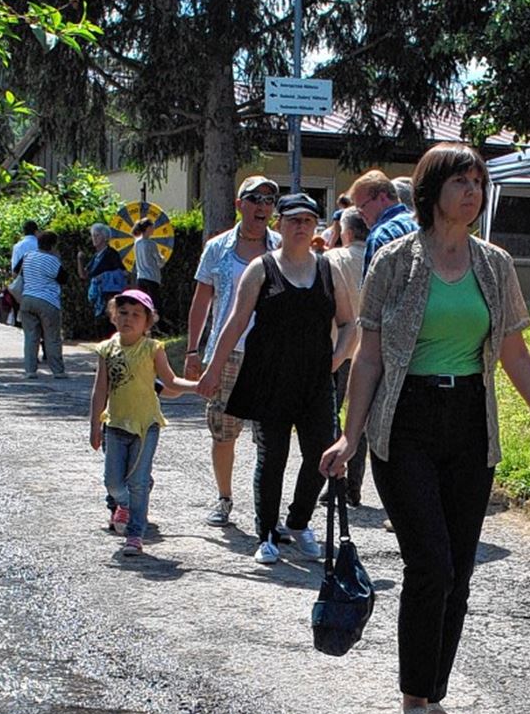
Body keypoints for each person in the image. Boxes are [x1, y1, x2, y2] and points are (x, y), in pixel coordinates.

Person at [321, 144, 530, 714]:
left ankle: (435, 692)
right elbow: (369, 357)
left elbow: (514, 353)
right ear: (431, 191)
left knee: (460, 571)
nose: (472, 191)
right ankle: (412, 700)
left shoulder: (495, 264)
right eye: (460, 181)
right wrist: (350, 434)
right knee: (431, 565)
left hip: (470, 421)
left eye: (478, 181)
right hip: (406, 422)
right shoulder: (394, 260)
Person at [198, 192, 356, 563]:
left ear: (315, 226)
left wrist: (336, 358)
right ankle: (267, 533)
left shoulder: (327, 269)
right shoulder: (261, 269)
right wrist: (212, 369)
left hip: (315, 381)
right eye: (293, 220)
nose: (301, 227)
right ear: (279, 225)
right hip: (269, 379)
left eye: (308, 220)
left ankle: (298, 522)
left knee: (322, 453)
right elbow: (235, 322)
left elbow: (349, 322)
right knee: (272, 458)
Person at [184, 176, 281, 526]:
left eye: (269, 200)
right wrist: (193, 350)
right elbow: (202, 301)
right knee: (224, 430)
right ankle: (224, 498)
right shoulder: (217, 247)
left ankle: (267, 510)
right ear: (240, 205)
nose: (262, 206)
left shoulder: (282, 247)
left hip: (271, 355)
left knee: (271, 436)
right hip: (228, 354)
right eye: (255, 199)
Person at [90, 290, 198, 557]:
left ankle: (135, 533)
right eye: (123, 313)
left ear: (147, 322)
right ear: (113, 316)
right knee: (113, 482)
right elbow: (100, 389)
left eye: (136, 315)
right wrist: (94, 425)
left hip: (145, 426)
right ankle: (125, 503)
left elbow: (170, 382)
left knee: (138, 482)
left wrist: (197, 386)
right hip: (114, 425)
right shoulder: (107, 350)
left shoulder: (152, 349)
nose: (128, 318)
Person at [323, 204, 370, 505]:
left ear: (346, 232)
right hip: (369, 352)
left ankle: (334, 480)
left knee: (331, 416)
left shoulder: (332, 259)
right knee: (359, 421)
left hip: (337, 348)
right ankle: (354, 486)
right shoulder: (379, 256)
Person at [346, 170, 418, 275]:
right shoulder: (422, 224)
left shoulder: (380, 236)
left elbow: (372, 284)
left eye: (362, 207)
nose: (360, 215)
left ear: (382, 198)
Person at [18, 228, 66, 378]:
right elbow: (63, 279)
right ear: (53, 245)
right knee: (52, 337)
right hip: (47, 301)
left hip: (27, 299)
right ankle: (57, 371)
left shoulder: (28, 256)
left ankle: (30, 370)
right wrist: (57, 258)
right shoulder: (53, 261)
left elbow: (18, 271)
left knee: (30, 337)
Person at [78, 223, 127, 334]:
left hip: (109, 294)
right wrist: (79, 260)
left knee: (109, 320)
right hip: (98, 295)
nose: (94, 238)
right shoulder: (96, 256)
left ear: (105, 238)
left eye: (97, 235)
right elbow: (84, 275)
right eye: (93, 235)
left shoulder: (111, 253)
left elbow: (123, 273)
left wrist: (104, 276)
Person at [132, 217, 164, 314]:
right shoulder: (151, 244)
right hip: (152, 277)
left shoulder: (137, 243)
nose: (153, 229)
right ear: (148, 228)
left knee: (142, 304)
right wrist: (163, 259)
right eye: (152, 227)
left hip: (141, 277)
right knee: (155, 304)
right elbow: (159, 261)